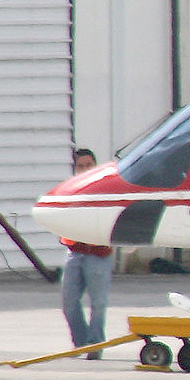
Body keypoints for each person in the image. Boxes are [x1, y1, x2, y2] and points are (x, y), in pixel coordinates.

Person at [59, 149, 112, 357]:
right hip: (75, 250)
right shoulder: (70, 190)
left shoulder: (104, 190)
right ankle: (81, 342)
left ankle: (95, 345)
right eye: (81, 166)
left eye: (89, 165)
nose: (85, 169)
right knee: (69, 301)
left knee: (98, 302)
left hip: (98, 252)